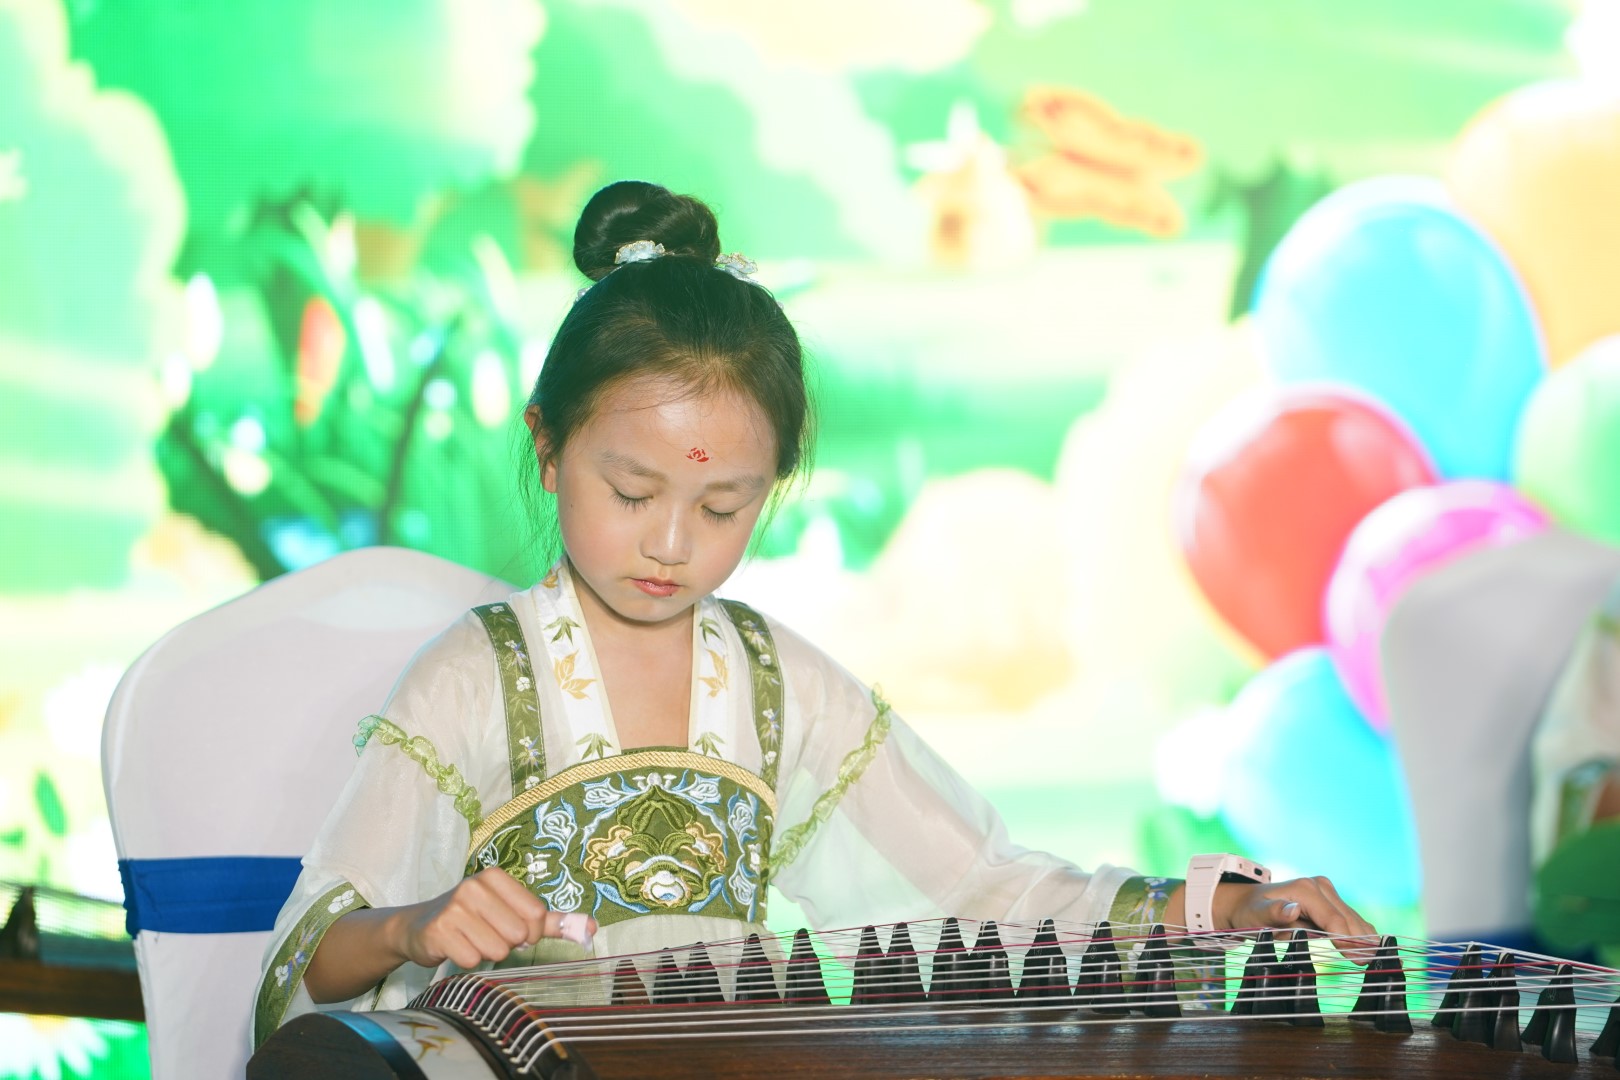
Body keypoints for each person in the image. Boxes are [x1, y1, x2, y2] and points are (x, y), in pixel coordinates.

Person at [252, 180, 1374, 1044]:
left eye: (722, 506)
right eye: (632, 492)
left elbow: (977, 887)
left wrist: (1211, 909)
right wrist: (413, 926)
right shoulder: (474, 679)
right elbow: (305, 963)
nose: (671, 543)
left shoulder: (775, 687)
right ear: (547, 448)